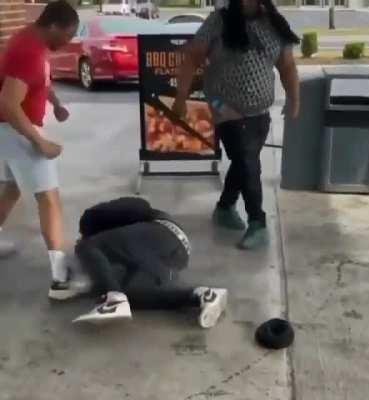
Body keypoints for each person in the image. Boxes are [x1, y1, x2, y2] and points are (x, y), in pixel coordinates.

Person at [173, 0, 300, 250]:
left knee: (245, 160)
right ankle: (258, 222)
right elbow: (191, 58)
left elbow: (287, 66)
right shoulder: (218, 21)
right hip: (222, 103)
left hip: (260, 109)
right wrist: (180, 97)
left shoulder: (273, 23)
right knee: (247, 160)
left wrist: (294, 99)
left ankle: (224, 207)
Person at [0, 1, 79, 299]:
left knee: (10, 188)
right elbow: (8, 104)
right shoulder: (28, 51)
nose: (68, 42)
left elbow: (38, 78)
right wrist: (40, 141)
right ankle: (60, 279)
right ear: (54, 26)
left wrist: (55, 103)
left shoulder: (32, 40)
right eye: (68, 36)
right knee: (49, 198)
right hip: (15, 129)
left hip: (10, 131)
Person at [73, 197, 228, 328]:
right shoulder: (121, 244)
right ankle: (203, 295)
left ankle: (113, 300)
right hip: (177, 254)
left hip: (162, 230)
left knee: (87, 247)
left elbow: (141, 205)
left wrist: (87, 241)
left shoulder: (91, 218)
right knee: (130, 294)